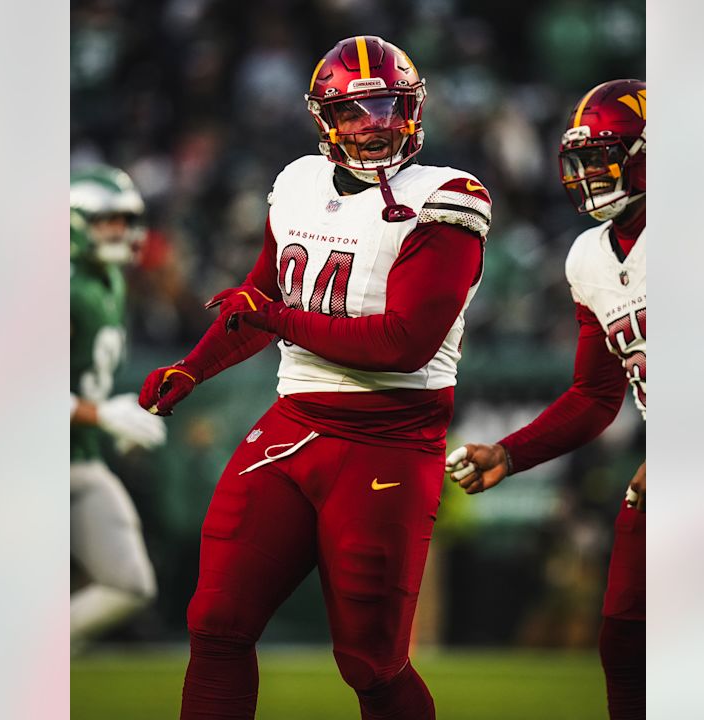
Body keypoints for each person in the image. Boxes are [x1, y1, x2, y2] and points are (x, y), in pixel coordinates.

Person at [138, 36, 491, 720]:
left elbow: (404, 344)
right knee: (216, 624)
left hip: (389, 439)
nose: (375, 124)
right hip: (294, 424)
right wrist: (193, 367)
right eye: (354, 111)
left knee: (371, 664)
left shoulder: (446, 197)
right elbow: (260, 294)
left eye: (388, 106)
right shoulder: (299, 181)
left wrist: (273, 316)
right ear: (325, 118)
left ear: (414, 110)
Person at [445, 79, 647, 720]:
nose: (589, 175)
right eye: (582, 161)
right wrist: (510, 454)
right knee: (624, 640)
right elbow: (595, 395)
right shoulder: (589, 258)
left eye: (604, 157)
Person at [69, 167, 168, 649]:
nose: (119, 231)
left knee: (128, 584)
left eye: (125, 220)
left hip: (79, 458)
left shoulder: (109, 280)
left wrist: (111, 418)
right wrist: (102, 415)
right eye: (106, 220)